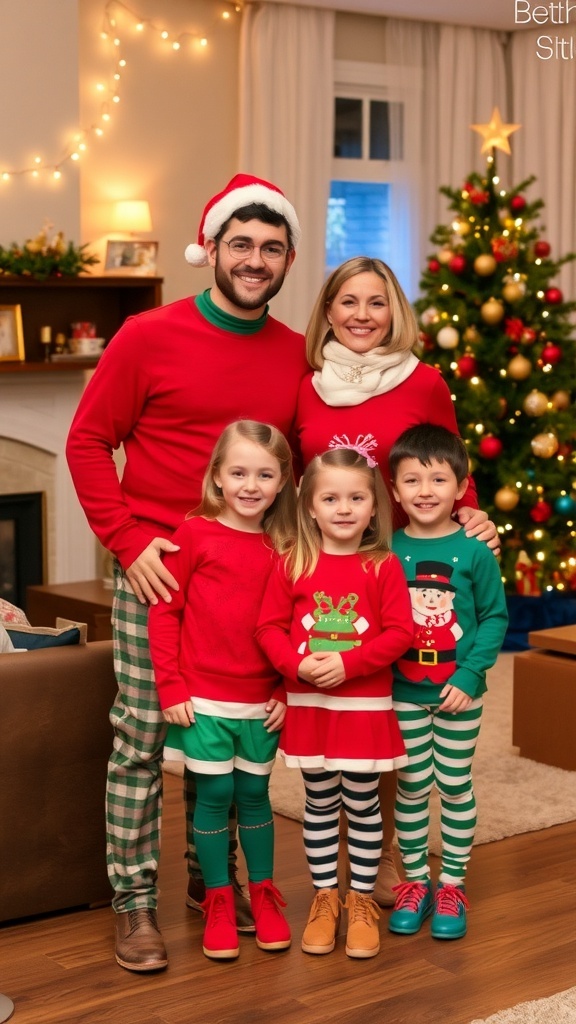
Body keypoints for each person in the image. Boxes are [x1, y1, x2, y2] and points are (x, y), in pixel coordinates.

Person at [65, 174, 309, 972]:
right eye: (241, 243)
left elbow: (315, 462)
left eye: (271, 248)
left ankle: (216, 886)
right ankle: (135, 903)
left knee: (237, 743)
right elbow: (87, 442)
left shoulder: (295, 355)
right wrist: (129, 542)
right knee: (143, 738)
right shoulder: (146, 335)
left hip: (250, 578)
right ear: (212, 248)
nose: (255, 259)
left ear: (288, 260)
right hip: (160, 574)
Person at [295, 256, 500, 907]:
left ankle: (388, 858)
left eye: (376, 302)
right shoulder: (306, 385)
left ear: (395, 313)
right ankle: (348, 851)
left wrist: (474, 514)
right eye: (348, 301)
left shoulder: (424, 382)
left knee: (393, 709)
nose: (361, 314)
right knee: (351, 704)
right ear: (327, 310)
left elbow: (450, 461)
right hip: (337, 562)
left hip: (408, 559)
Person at [256, 446, 414, 959]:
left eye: (356, 498)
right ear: (309, 506)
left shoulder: (382, 565)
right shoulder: (293, 562)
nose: (343, 508)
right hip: (310, 706)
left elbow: (399, 633)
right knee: (320, 803)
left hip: (364, 705)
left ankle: (362, 900)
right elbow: (269, 628)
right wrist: (294, 665)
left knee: (363, 803)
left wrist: (350, 664)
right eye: (331, 498)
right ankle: (327, 897)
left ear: (374, 507)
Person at [148, 420, 295, 960]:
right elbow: (166, 613)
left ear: (283, 482)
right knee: (212, 796)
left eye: (264, 473)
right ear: (217, 478)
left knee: (255, 795)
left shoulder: (287, 545)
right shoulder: (193, 534)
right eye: (238, 472)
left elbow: (298, 624)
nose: (250, 485)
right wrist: (171, 686)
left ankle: (264, 893)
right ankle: (215, 900)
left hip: (261, 700)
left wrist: (285, 691)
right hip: (202, 698)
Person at [387, 423, 508, 940]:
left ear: (461, 487)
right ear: (394, 491)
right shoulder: (386, 550)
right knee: (412, 787)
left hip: (460, 693)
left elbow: (495, 617)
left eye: (438, 480)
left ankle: (452, 883)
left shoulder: (476, 552)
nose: (425, 491)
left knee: (454, 785)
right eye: (412, 481)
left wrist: (470, 672)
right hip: (403, 692)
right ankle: (415, 882)